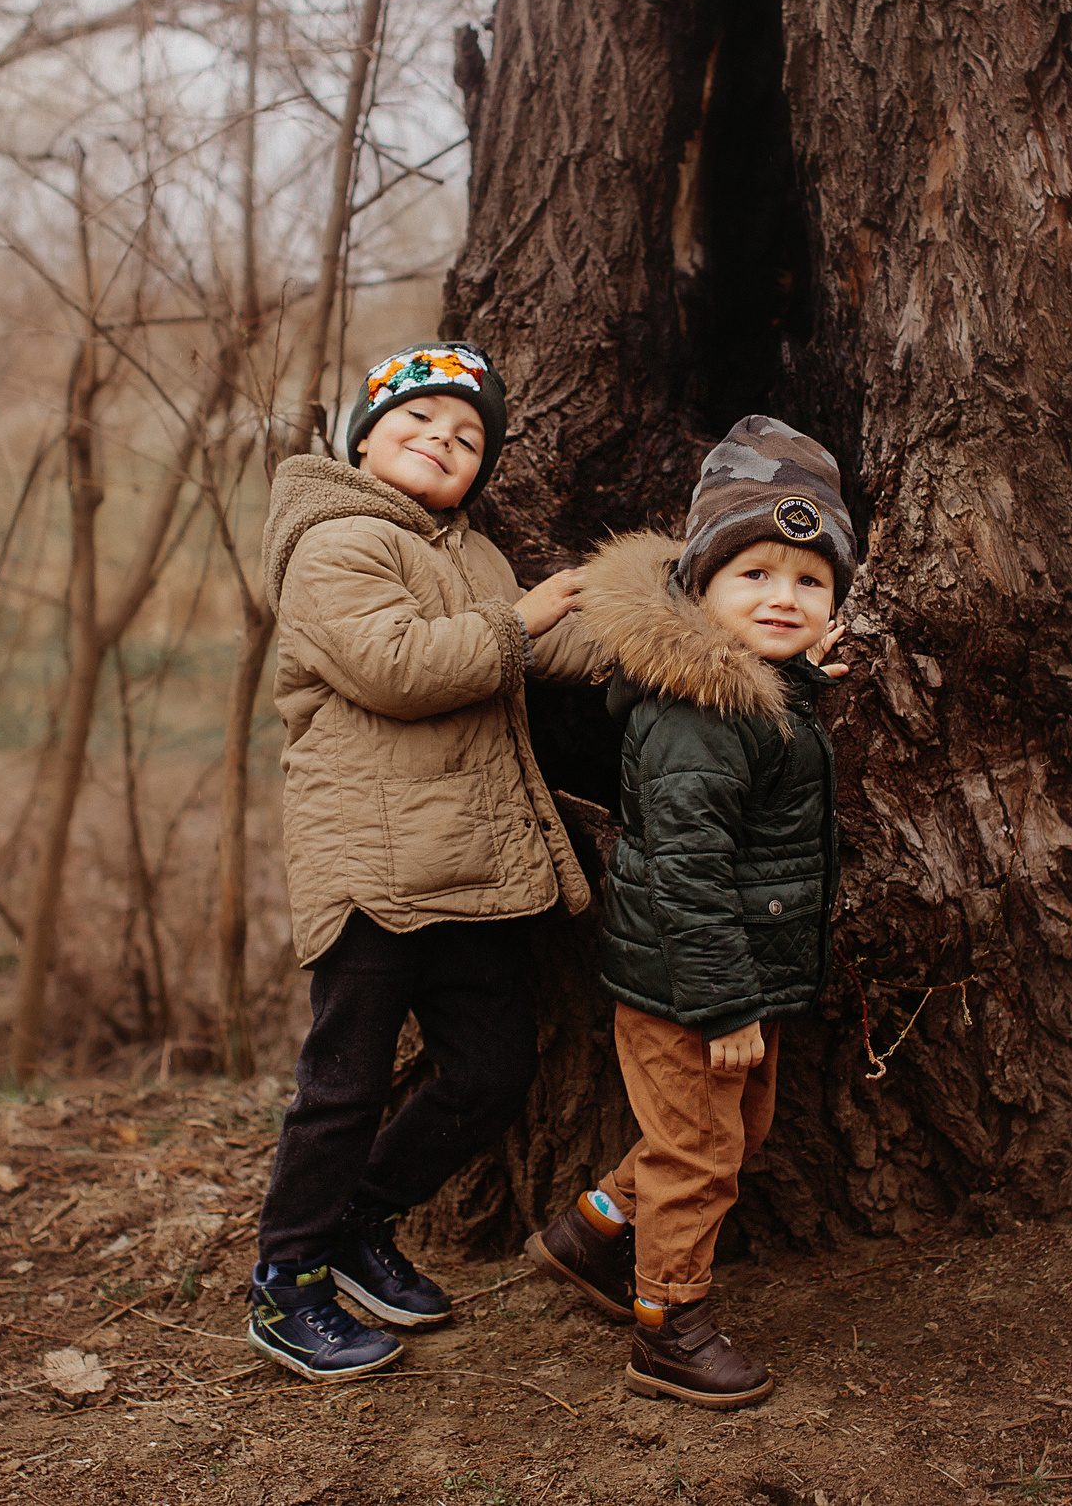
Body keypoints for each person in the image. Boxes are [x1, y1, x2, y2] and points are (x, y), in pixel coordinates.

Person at [245, 342, 608, 1383]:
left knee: (492, 1066)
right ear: (363, 439)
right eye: (415, 424)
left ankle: (361, 1222)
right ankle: (287, 1281)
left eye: (465, 438)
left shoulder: (476, 554)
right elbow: (396, 668)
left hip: (465, 868)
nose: (440, 444)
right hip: (367, 867)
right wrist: (522, 617)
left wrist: (683, 625)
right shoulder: (334, 540)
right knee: (342, 1086)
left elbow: (558, 650)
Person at [525, 415, 855, 1409]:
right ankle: (667, 1323)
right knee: (701, 1152)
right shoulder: (696, 720)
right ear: (699, 588)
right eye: (753, 576)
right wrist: (722, 1007)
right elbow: (686, 872)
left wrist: (793, 679)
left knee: (724, 1140)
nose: (782, 597)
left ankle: (590, 1233)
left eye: (809, 582)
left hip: (715, 975)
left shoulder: (743, 693)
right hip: (689, 984)